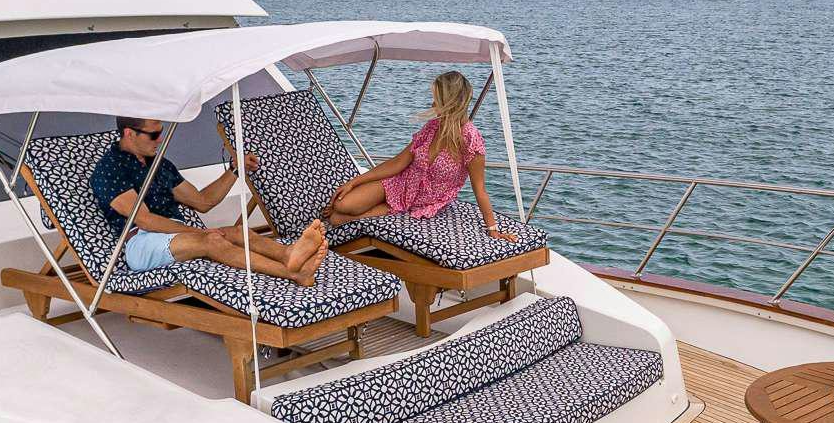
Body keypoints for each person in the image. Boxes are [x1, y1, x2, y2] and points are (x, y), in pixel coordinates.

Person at [90, 116, 328, 285]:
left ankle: (288, 254)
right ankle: (293, 274)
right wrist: (199, 233)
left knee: (236, 233)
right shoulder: (110, 169)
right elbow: (145, 220)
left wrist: (236, 169)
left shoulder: (158, 164)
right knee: (213, 240)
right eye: (154, 134)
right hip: (141, 242)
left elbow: (203, 202)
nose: (160, 139)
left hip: (173, 235)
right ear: (129, 133)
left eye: (161, 132)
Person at [326, 71, 518, 241]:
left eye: (437, 99)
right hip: (400, 183)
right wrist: (354, 182)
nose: (433, 103)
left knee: (336, 218)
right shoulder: (433, 127)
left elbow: (480, 189)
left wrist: (492, 229)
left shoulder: (470, 141)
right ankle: (369, 206)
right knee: (342, 204)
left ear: (449, 102)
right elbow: (400, 161)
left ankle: (378, 212)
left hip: (420, 200)